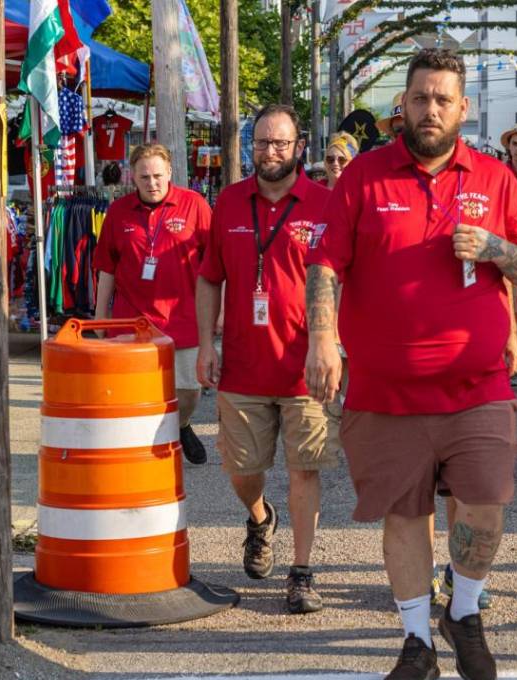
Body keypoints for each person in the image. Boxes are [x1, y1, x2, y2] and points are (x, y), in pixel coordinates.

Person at [303, 48, 517, 680]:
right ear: (403, 105)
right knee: (405, 516)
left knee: (487, 508)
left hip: (477, 388)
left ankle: (463, 609)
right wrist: (322, 340)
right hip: (386, 393)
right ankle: (417, 640)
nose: (431, 109)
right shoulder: (363, 177)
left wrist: (497, 248)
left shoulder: (496, 180)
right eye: (420, 98)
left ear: (463, 109)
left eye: (443, 99)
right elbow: (325, 263)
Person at [195, 104, 340, 614]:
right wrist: (206, 343)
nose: (270, 152)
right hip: (243, 364)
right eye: (261, 143)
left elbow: (347, 281)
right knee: (241, 470)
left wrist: (338, 347)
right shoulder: (230, 202)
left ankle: (302, 572)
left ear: (300, 147)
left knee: (306, 469)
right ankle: (259, 517)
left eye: (280, 143)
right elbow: (210, 276)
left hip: (307, 368)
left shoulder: (326, 203)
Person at [94, 143, 213, 464]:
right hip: (132, 322)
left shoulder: (195, 205)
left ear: (170, 172)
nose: (152, 183)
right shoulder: (118, 212)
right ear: (132, 176)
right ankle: (147, 451)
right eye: (144, 176)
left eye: (158, 175)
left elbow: (217, 266)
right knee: (134, 394)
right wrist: (99, 318)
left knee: (189, 391)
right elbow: (107, 268)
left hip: (184, 320)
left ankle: (183, 423)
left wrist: (221, 313)